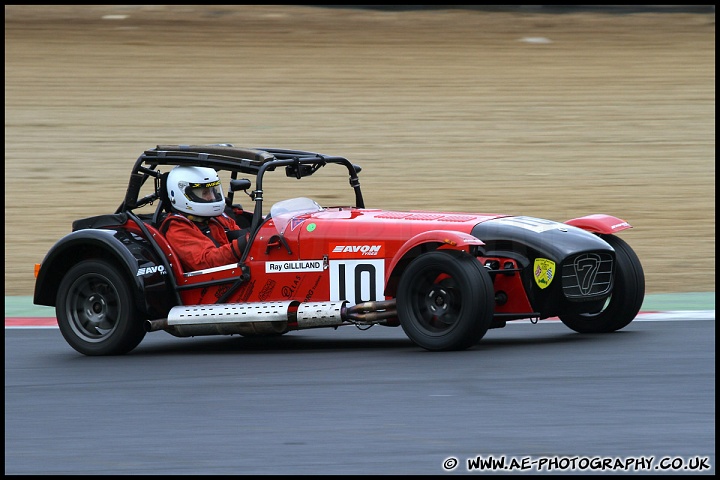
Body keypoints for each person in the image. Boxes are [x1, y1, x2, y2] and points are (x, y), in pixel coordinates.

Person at [160, 165, 249, 271]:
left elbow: (241, 236)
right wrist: (244, 243)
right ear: (183, 194)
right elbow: (207, 261)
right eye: (205, 193)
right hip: (212, 283)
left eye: (212, 191)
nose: (212, 197)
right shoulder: (178, 229)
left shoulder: (217, 218)